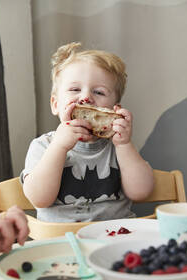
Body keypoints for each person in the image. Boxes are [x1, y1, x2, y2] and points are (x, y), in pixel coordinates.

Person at [21, 42, 154, 223]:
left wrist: (124, 145)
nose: (86, 97)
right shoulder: (43, 146)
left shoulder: (119, 147)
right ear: (55, 104)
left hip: (113, 238)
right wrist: (59, 147)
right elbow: (39, 199)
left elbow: (141, 193)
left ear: (114, 110)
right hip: (60, 240)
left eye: (99, 92)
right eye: (75, 89)